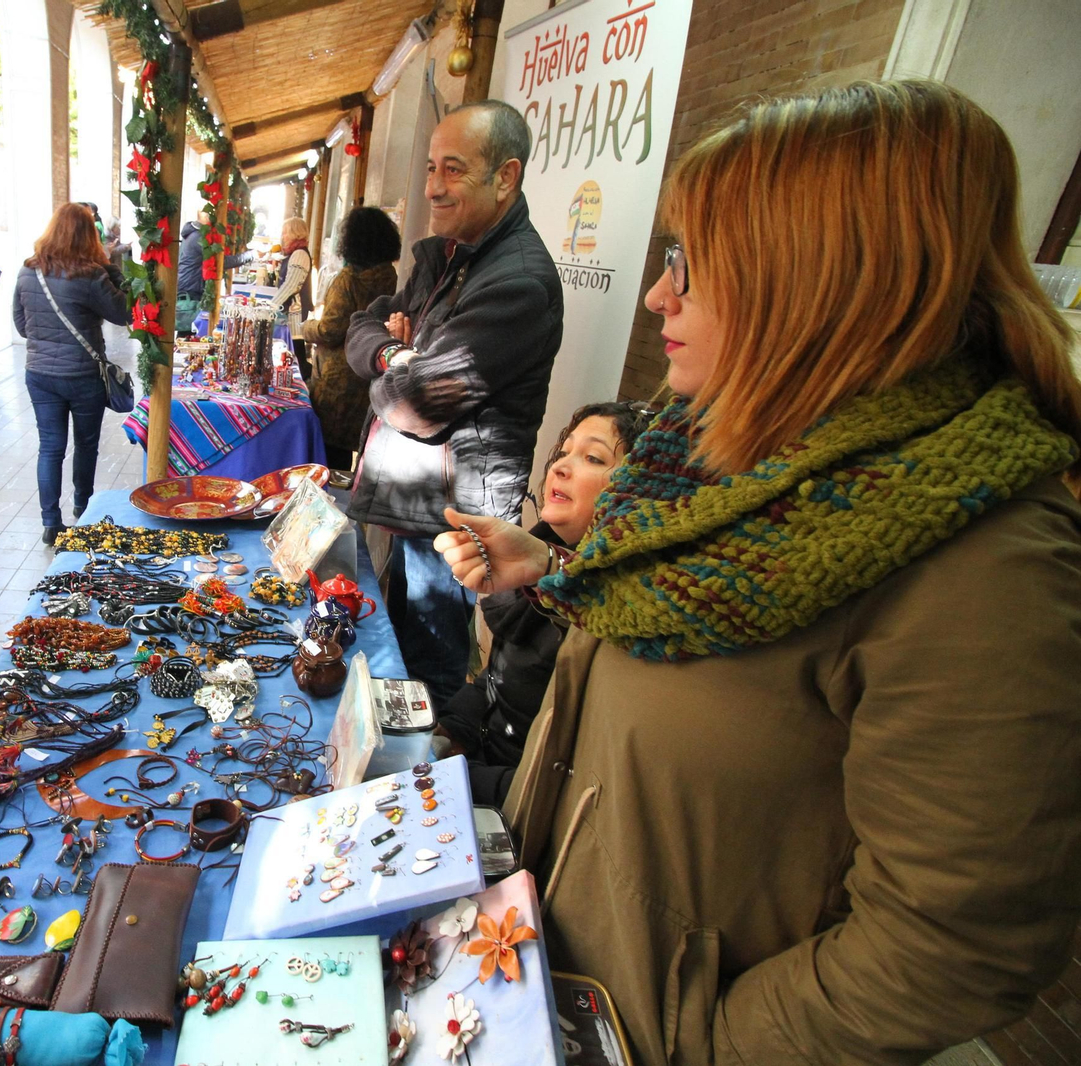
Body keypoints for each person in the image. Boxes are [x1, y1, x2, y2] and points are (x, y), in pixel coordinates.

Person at [438, 80, 1081, 1062]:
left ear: (825, 277)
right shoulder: (715, 460)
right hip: (550, 985)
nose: (660, 294)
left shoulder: (987, 566)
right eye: (665, 258)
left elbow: (956, 940)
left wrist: (702, 1039)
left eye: (693, 263)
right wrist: (557, 565)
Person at [344, 100, 563, 706]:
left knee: (429, 669)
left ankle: (422, 786)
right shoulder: (444, 255)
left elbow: (416, 404)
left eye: (454, 170)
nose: (434, 187)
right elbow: (361, 328)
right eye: (432, 167)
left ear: (506, 178)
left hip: (454, 521)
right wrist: (394, 354)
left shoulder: (518, 282)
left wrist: (400, 371)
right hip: (414, 502)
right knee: (397, 647)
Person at [434, 401, 651, 806]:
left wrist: (461, 780)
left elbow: (560, 782)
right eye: (564, 451)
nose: (561, 467)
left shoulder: (615, 618)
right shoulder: (537, 563)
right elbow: (494, 678)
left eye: (592, 457)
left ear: (638, 491)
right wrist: (450, 731)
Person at [13, 203, 131, 545]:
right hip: (82, 375)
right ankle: (84, 510)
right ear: (89, 236)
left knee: (49, 447)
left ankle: (51, 523)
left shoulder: (28, 272)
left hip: (39, 374)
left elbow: (22, 326)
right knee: (85, 445)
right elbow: (123, 313)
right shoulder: (92, 276)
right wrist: (112, 269)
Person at [299, 206, 401, 471]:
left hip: (338, 378)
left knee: (327, 456)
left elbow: (330, 330)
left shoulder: (349, 279)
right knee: (348, 453)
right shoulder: (389, 275)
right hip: (367, 372)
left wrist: (306, 327)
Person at [269, 216, 313, 379]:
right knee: (294, 355)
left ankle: (302, 391)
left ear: (295, 233)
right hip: (292, 313)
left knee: (297, 355)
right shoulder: (294, 253)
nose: (283, 236)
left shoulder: (300, 254)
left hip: (296, 315)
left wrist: (270, 306)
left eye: (285, 232)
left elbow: (291, 285)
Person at [177, 207, 212, 333]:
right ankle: (183, 350)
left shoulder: (192, 234)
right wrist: (250, 255)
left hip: (188, 283)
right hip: (191, 286)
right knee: (188, 327)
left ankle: (181, 349)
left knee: (186, 328)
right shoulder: (198, 237)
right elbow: (217, 262)